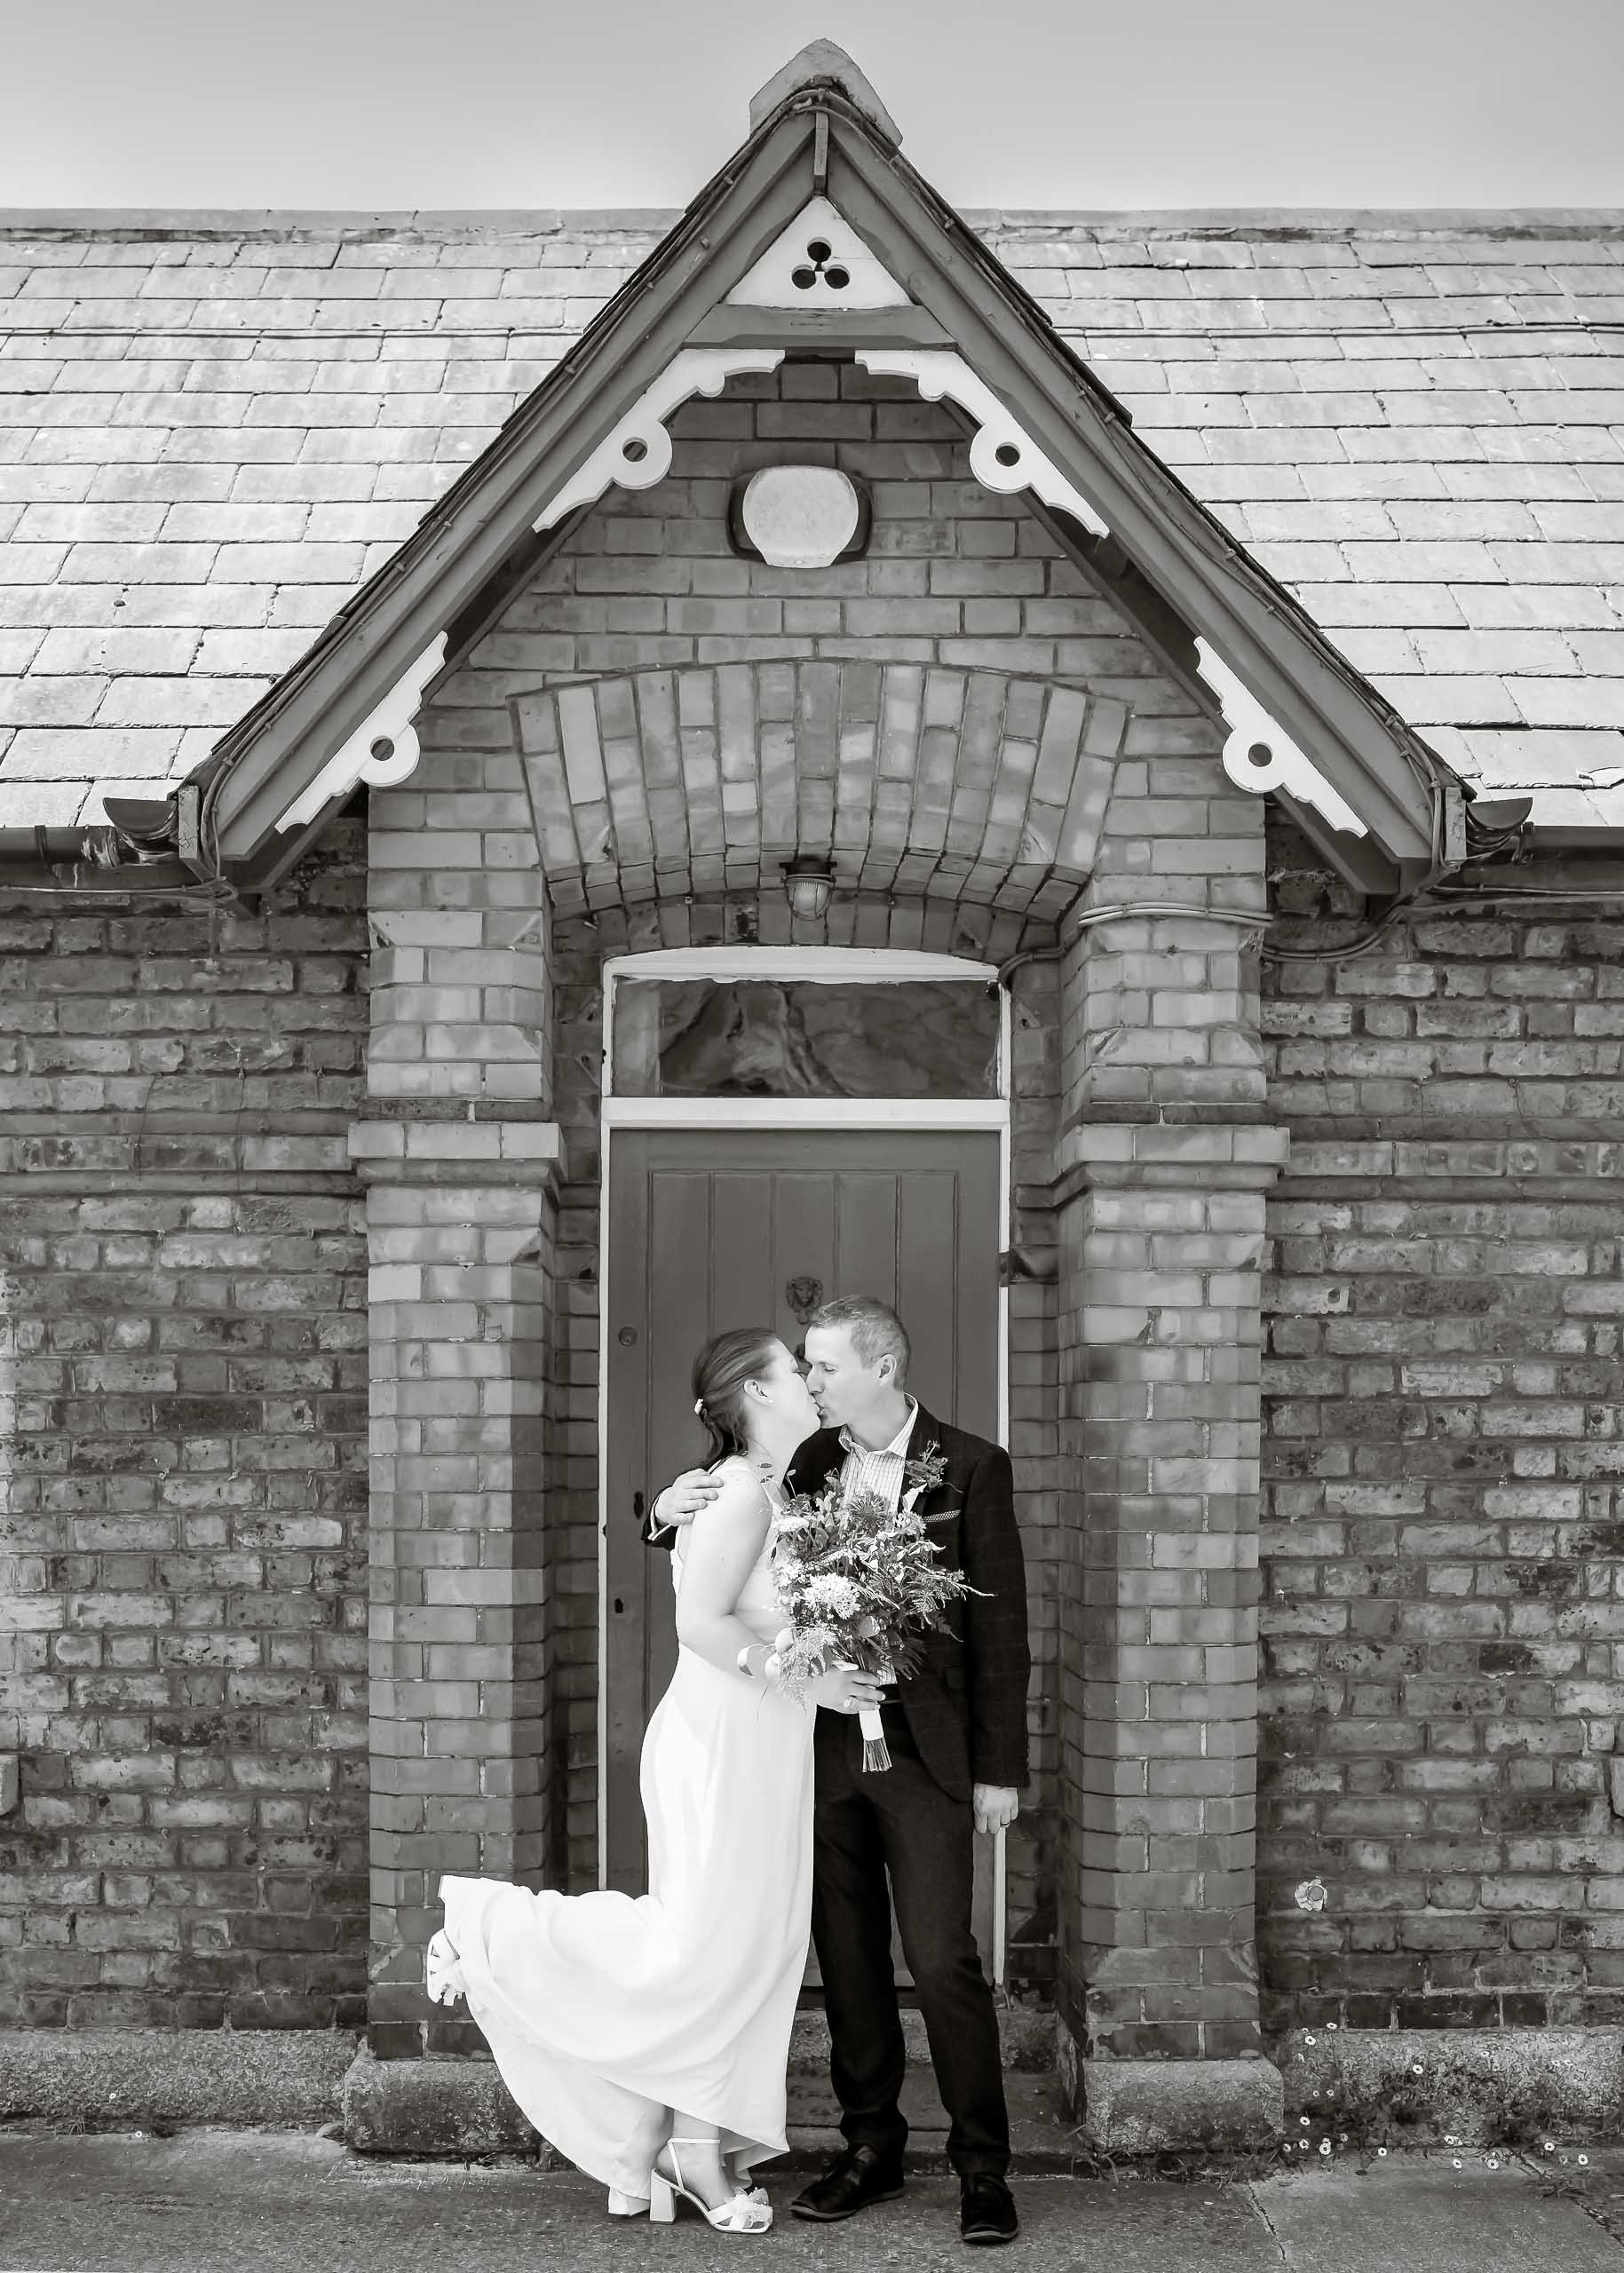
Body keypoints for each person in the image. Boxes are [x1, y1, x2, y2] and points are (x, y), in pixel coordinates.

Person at [424, 1327, 884, 2233]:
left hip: (763, 1743)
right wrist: (806, 1676)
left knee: (740, 1952)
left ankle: (649, 2142)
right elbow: (699, 1623)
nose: (809, 1381)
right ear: (756, 1390)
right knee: (704, 1949)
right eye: (796, 1370)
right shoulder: (743, 1494)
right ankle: (503, 1937)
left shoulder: (775, 1487)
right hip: (723, 1740)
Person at [648, 1295, 1030, 2247]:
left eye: (824, 1366)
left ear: (882, 1368)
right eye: (803, 1369)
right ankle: (871, 2147)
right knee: (847, 1957)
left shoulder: (973, 1466)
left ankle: (983, 2166)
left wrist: (999, 1771)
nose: (811, 1382)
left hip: (923, 1752)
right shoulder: (807, 1462)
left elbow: (1002, 1633)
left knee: (940, 1957)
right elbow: (724, 1513)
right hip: (812, 1746)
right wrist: (659, 1511)